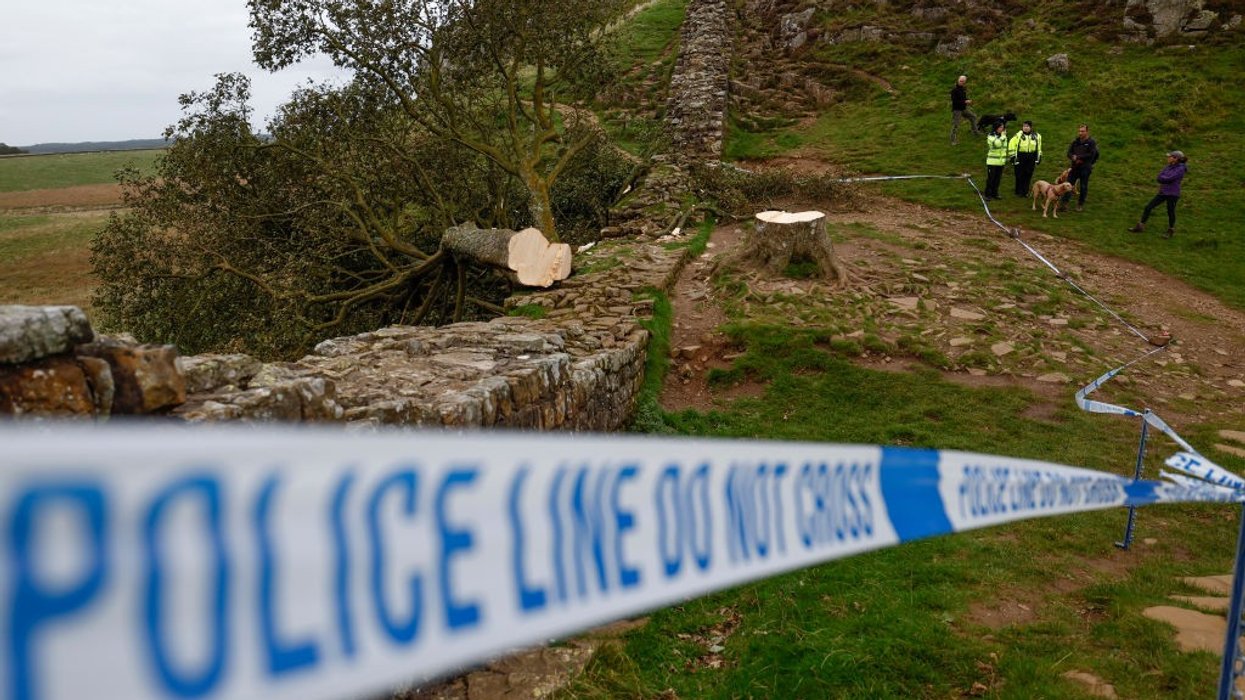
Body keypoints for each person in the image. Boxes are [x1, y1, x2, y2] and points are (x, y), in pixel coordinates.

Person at [1128, 150, 1188, 238]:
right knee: (1148, 207)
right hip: (1163, 191)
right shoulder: (1168, 166)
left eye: (1170, 156)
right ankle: (1140, 226)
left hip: (1173, 193)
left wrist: (1163, 178)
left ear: (1176, 158)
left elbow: (1170, 178)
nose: (1168, 158)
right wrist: (1164, 178)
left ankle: (1170, 230)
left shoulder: (1181, 168)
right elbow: (1159, 176)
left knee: (1170, 211)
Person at [1060, 124, 1099, 212]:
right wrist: (1072, 157)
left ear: (1087, 132)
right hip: (1074, 167)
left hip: (1085, 168)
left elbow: (1092, 154)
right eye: (1079, 131)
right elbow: (1069, 153)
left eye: (1082, 131)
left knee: (1083, 186)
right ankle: (1064, 204)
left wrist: (1079, 158)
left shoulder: (1091, 142)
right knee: (1068, 184)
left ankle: (1080, 204)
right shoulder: (1075, 142)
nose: (1080, 133)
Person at [1008, 120, 1042, 197]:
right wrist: (1012, 156)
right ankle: (1018, 191)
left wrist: (1039, 157)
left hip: (1031, 157)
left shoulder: (1037, 136)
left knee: (1028, 174)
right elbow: (1011, 145)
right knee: (1019, 174)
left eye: (1027, 126)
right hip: (1020, 156)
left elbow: (1039, 147)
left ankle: (1025, 191)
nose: (1025, 128)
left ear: (1031, 127)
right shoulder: (1017, 135)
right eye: (1024, 126)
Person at [949, 75, 980, 146]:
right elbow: (954, 101)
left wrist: (968, 100)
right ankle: (953, 140)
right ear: (958, 80)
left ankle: (975, 132)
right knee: (955, 124)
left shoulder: (963, 88)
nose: (962, 82)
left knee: (973, 117)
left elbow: (964, 97)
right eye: (961, 81)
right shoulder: (954, 90)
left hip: (964, 109)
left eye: (963, 81)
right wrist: (965, 101)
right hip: (957, 110)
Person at [984, 120, 1008, 200]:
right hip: (992, 161)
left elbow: (1004, 148)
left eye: (1003, 127)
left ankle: (995, 193)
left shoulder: (1003, 136)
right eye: (1001, 127)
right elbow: (997, 144)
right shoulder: (991, 136)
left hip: (1001, 162)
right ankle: (987, 194)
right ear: (996, 128)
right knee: (991, 179)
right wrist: (1003, 137)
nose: (1002, 129)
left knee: (997, 179)